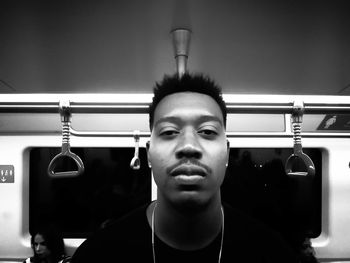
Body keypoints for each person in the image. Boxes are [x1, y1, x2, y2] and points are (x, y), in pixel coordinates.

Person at [71, 73, 299, 263]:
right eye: (169, 132)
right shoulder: (98, 255)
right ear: (149, 153)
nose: (189, 146)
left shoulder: (273, 254)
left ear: (227, 153)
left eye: (207, 131)